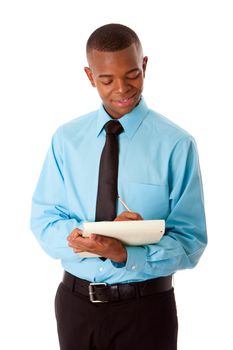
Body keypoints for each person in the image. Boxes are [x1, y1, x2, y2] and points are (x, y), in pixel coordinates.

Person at [30, 23, 207, 350]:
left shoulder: (176, 144)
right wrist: (89, 238)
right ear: (89, 76)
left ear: (144, 66)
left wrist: (125, 252)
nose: (122, 89)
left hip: (146, 309)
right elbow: (44, 220)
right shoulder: (66, 140)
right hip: (75, 307)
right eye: (107, 80)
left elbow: (191, 241)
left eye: (132, 75)